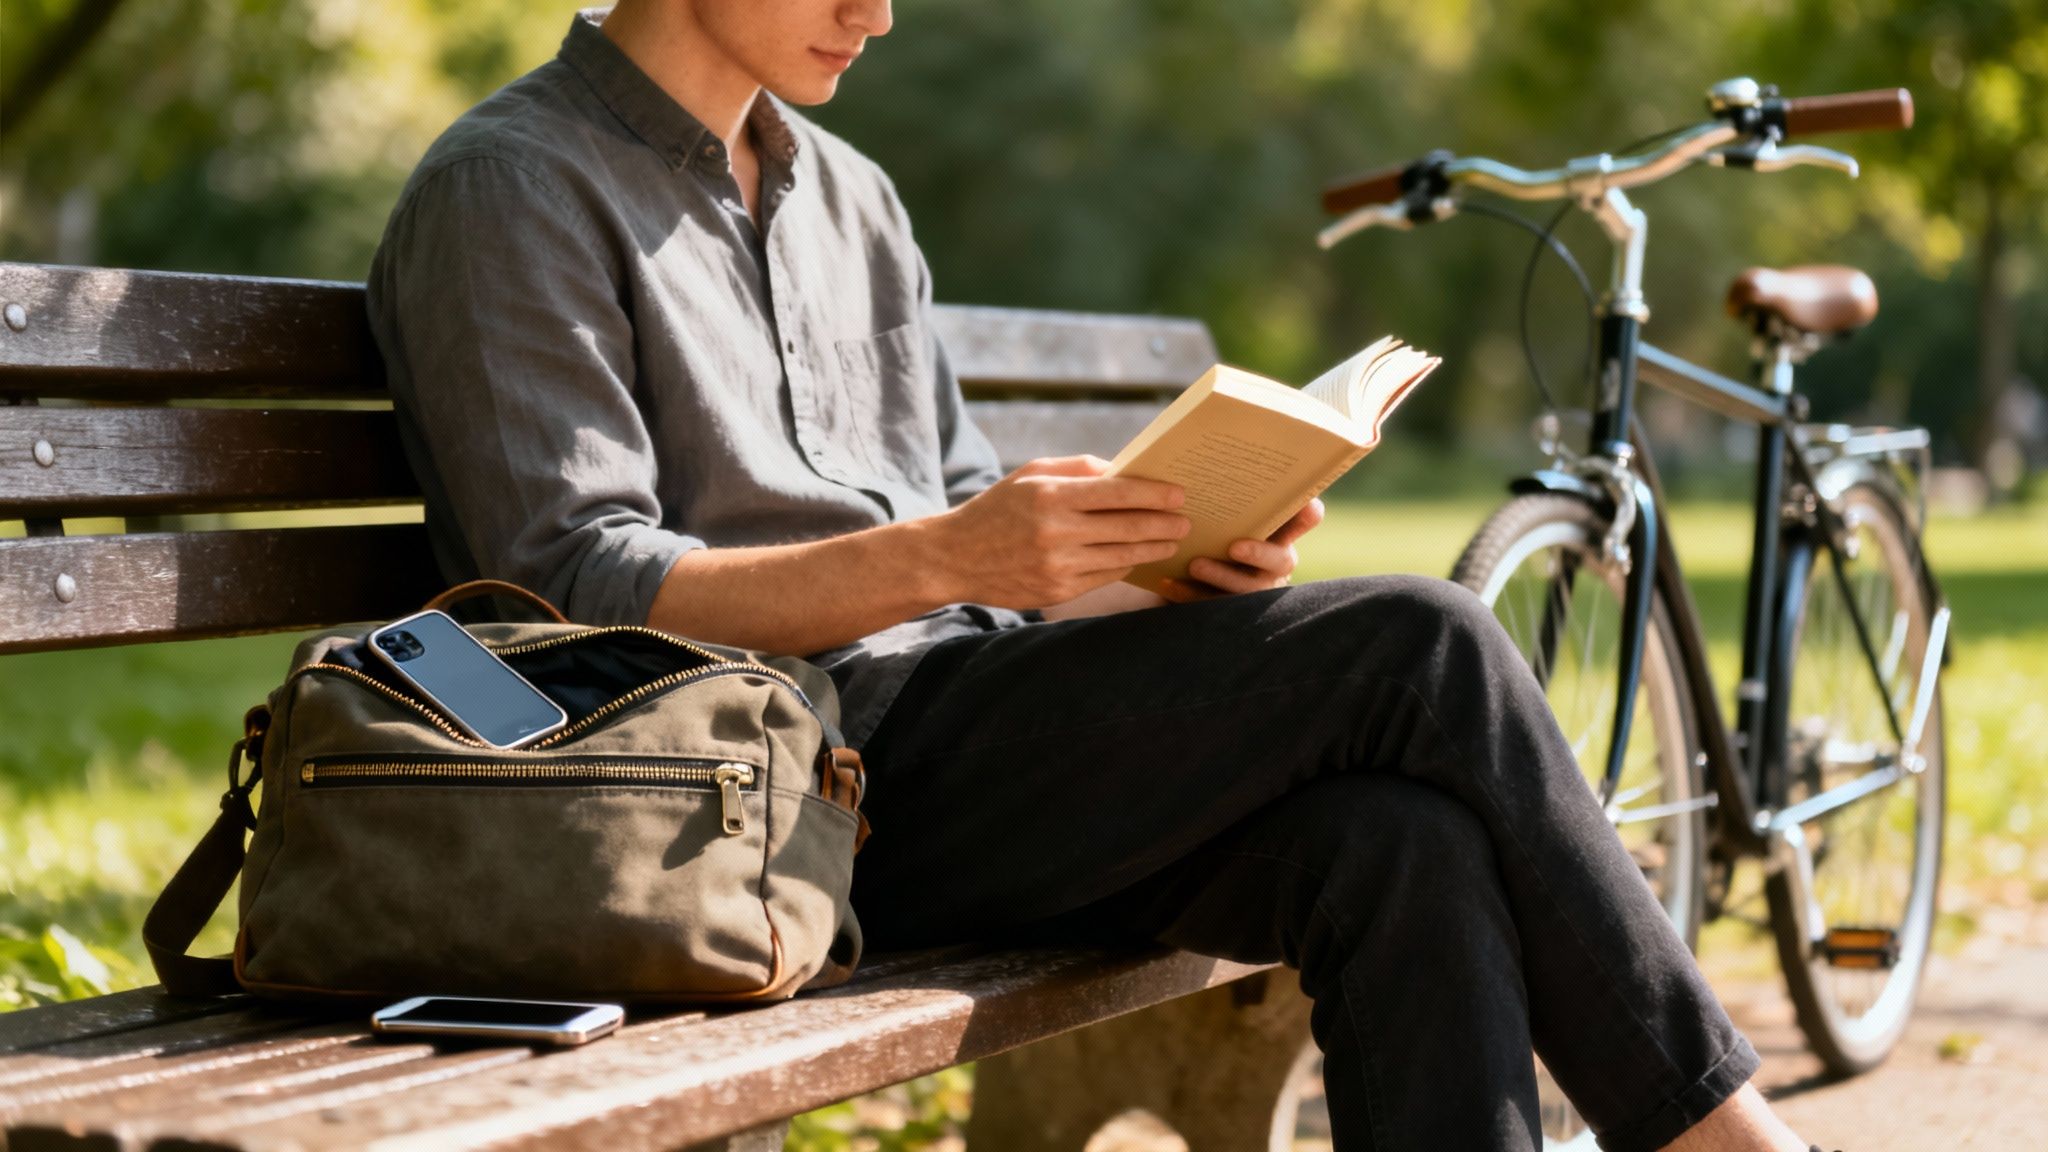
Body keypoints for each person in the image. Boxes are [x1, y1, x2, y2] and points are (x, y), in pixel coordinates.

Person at [365, 3, 1829, 1149]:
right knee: (1421, 643)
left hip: (954, 741)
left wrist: (1159, 577)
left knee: (1394, 845)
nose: (877, 15)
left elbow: (967, 551)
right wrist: (951, 554)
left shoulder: (852, 201)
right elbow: (567, 589)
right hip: (740, 798)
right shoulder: (511, 189)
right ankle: (1717, 1136)